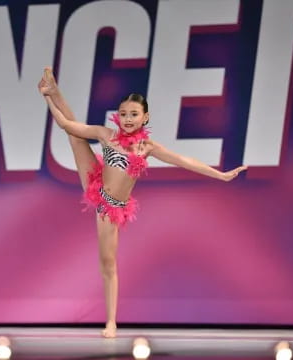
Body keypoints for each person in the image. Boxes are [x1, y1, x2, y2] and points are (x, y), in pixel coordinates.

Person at [38, 67, 247, 338]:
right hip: (96, 187)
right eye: (123, 114)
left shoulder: (147, 148)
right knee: (74, 136)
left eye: (134, 114)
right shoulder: (107, 135)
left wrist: (219, 174)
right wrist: (47, 98)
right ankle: (55, 90)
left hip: (110, 208)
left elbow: (185, 161)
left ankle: (111, 321)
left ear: (145, 117)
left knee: (108, 264)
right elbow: (68, 125)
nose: (127, 118)